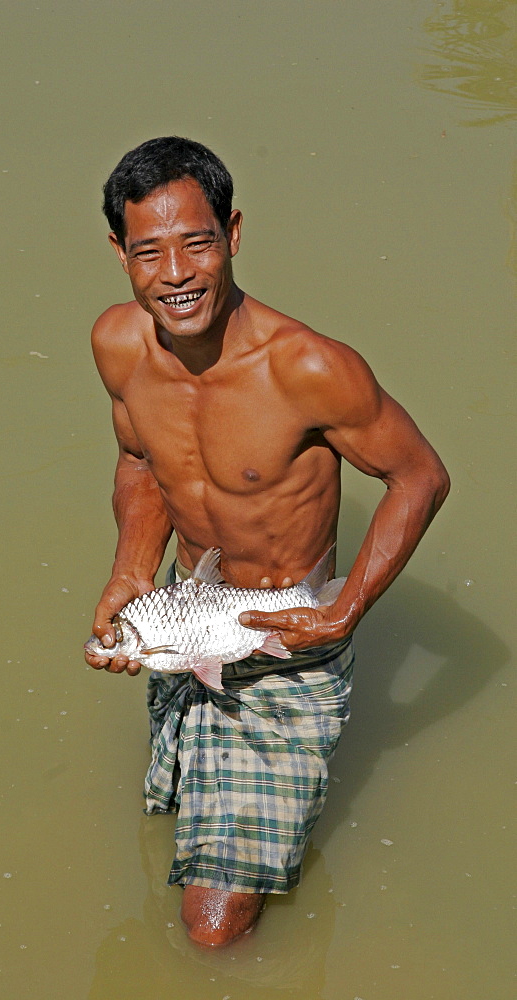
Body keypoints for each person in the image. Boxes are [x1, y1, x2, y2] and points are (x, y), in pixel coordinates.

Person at [84, 136, 449, 947]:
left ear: (234, 234)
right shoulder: (118, 344)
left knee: (212, 929)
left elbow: (420, 476)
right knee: (178, 821)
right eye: (149, 252)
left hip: (289, 643)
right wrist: (129, 574)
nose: (175, 273)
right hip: (185, 621)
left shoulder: (309, 369)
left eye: (198, 243)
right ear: (120, 253)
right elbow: (139, 458)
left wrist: (346, 607)